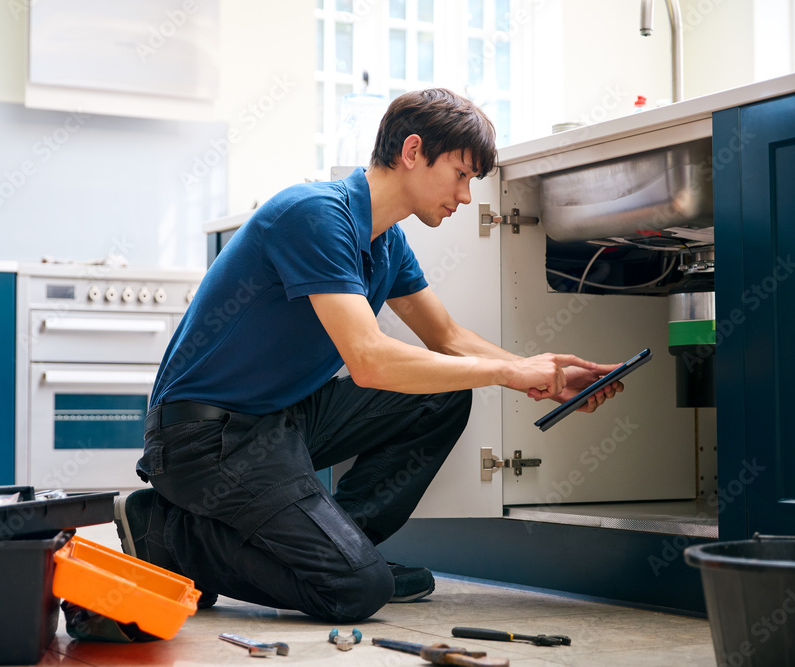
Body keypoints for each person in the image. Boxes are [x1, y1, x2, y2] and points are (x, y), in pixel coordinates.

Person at [115, 88, 623, 623]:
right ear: (412, 151)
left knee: (443, 398)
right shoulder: (313, 215)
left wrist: (542, 374)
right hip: (204, 440)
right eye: (461, 174)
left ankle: (342, 547)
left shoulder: (386, 242)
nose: (467, 196)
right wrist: (511, 371)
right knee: (355, 592)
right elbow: (369, 360)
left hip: (277, 421)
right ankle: (167, 537)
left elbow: (447, 337)